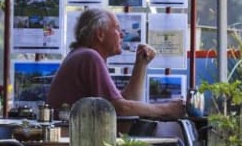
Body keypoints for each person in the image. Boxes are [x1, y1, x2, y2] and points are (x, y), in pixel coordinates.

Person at [46, 7, 186, 119]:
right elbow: (120, 108)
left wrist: (141, 64)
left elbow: (126, 102)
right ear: (100, 34)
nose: (122, 35)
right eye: (117, 29)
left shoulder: (82, 55)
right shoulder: (89, 57)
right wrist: (167, 109)